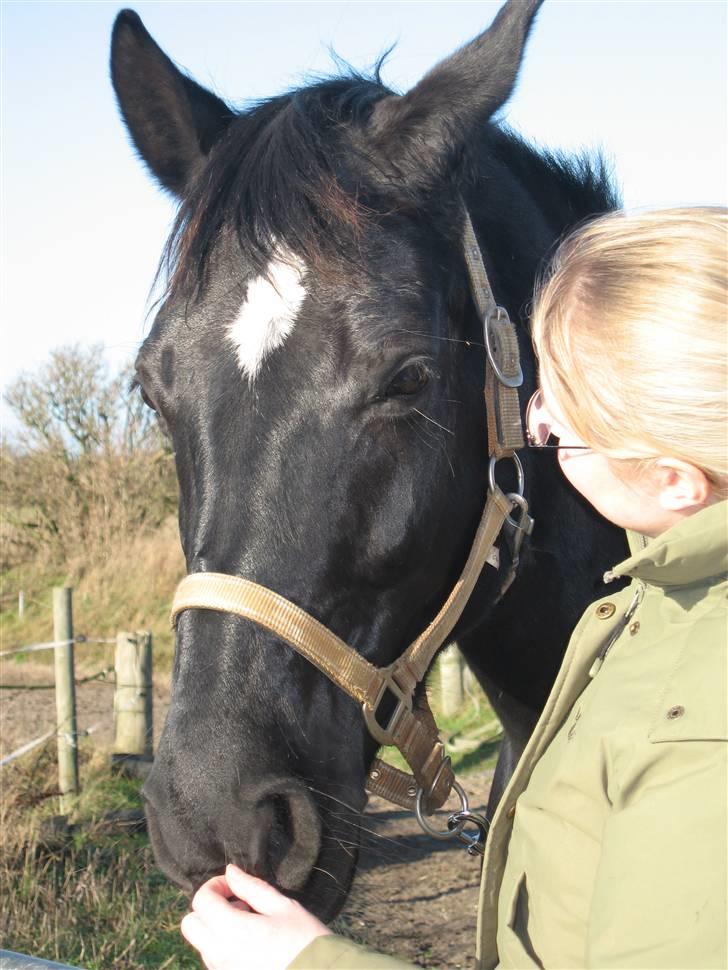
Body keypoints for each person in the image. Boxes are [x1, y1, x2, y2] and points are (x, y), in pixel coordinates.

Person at [180, 206, 727, 969]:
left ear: (675, 480)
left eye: (565, 411)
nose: (531, 423)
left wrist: (309, 964)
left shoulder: (703, 723)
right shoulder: (655, 596)